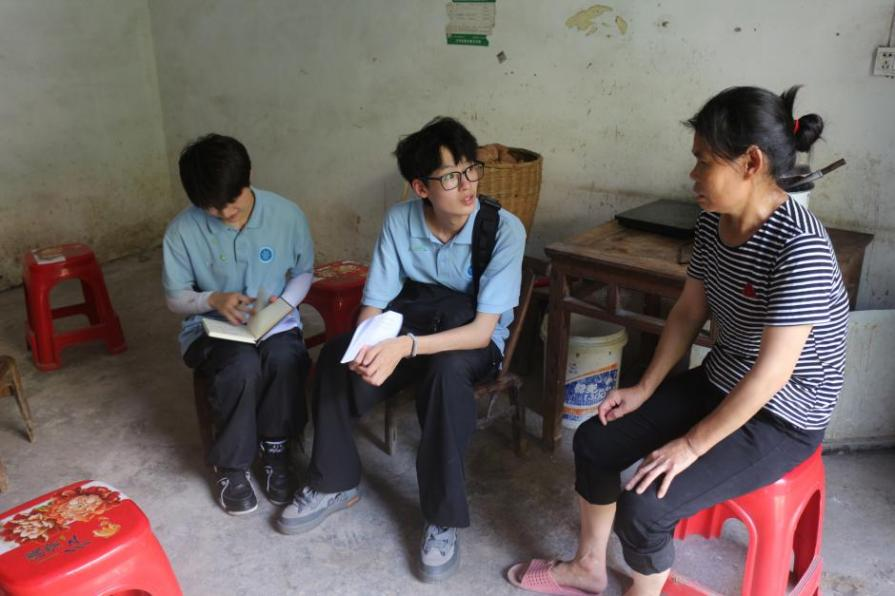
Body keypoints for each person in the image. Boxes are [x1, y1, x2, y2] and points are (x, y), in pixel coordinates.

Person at [507, 86, 848, 596]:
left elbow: (773, 374)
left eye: (704, 161)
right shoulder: (713, 222)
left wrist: (691, 445)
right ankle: (588, 567)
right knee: (595, 440)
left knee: (646, 505)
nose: (693, 175)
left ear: (751, 163)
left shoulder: (800, 248)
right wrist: (645, 387)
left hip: (784, 415)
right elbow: (689, 310)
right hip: (724, 378)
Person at [276, 117, 526, 582]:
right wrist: (367, 347)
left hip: (471, 337)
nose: (466, 185)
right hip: (414, 319)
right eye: (450, 177)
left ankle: (442, 519)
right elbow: (375, 303)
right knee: (335, 358)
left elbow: (480, 331)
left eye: (471, 170)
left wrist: (404, 348)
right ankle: (333, 482)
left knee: (445, 377)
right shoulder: (400, 220)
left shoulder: (502, 230)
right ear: (420, 187)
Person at [162, 133, 314, 515]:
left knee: (284, 358)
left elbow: (303, 272)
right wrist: (211, 299)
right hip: (212, 328)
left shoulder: (286, 214)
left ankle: (277, 449)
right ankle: (231, 466)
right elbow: (175, 298)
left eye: (234, 201)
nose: (227, 213)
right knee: (241, 365)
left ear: (249, 177)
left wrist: (284, 304)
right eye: (214, 209)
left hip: (274, 322)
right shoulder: (182, 231)